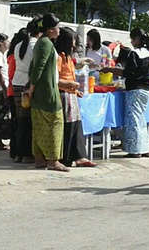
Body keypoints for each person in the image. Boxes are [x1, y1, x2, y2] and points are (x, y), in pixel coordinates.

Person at [101, 28, 149, 158]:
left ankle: (135, 150)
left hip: (135, 89)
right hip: (146, 90)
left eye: (133, 38)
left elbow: (128, 73)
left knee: (133, 120)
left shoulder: (134, 54)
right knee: (141, 119)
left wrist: (110, 69)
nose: (132, 41)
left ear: (137, 39)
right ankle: (144, 148)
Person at [27, 14, 67, 171]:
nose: (59, 31)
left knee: (39, 125)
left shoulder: (40, 42)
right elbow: (39, 67)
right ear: (50, 30)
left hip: (39, 91)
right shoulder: (46, 44)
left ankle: (40, 159)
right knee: (56, 123)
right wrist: (32, 86)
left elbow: (33, 66)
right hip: (47, 91)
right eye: (57, 28)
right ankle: (53, 160)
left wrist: (32, 85)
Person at [55, 27, 97, 168]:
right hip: (63, 95)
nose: (74, 44)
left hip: (71, 94)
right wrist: (71, 84)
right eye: (73, 40)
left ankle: (79, 156)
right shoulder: (59, 57)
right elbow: (55, 79)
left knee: (76, 125)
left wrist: (74, 89)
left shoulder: (67, 58)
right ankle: (65, 157)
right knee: (68, 126)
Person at [12, 17, 42, 163]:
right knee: (29, 120)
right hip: (27, 84)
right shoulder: (36, 45)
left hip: (17, 83)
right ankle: (27, 153)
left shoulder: (19, 45)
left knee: (20, 119)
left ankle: (18, 153)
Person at [6, 28, 28, 160]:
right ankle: (18, 152)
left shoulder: (12, 54)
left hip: (12, 90)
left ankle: (15, 152)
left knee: (17, 122)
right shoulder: (16, 56)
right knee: (20, 122)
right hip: (16, 90)